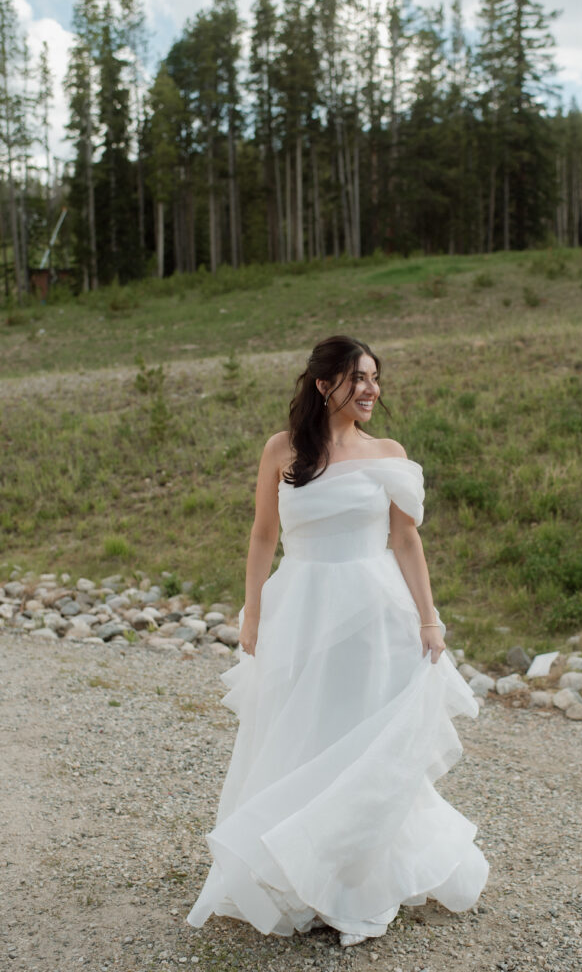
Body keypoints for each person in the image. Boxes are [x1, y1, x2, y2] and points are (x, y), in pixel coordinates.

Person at [186, 334, 488, 947]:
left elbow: (406, 540)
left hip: (375, 614)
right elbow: (262, 537)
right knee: (301, 733)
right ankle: (296, 876)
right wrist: (251, 613)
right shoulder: (281, 450)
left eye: (376, 378)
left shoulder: (388, 452)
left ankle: (356, 881)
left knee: (366, 741)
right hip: (300, 608)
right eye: (359, 378)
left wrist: (429, 617)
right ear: (325, 384)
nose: (372, 389)